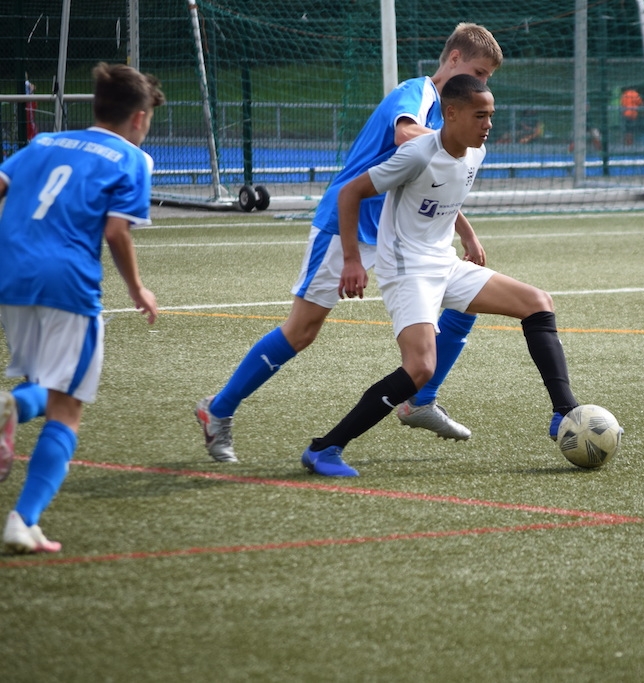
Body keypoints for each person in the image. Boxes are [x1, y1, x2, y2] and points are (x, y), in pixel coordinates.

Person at [195, 23, 503, 463]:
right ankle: (219, 409)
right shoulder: (417, 94)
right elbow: (406, 136)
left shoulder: (448, 115)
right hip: (347, 225)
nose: (482, 83)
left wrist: (465, 231)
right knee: (301, 331)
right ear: (454, 60)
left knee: (467, 298)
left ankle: (421, 399)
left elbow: (433, 176)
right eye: (479, 72)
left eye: (487, 77)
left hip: (397, 235)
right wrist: (450, 142)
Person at [300, 75, 580, 477]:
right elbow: (350, 193)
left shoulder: (476, 152)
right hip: (406, 270)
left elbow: (444, 195)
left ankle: (565, 412)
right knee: (420, 368)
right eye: (480, 116)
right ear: (451, 114)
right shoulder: (417, 154)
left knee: (537, 303)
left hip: (443, 263)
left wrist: (467, 234)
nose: (488, 124)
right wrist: (351, 260)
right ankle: (324, 448)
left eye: (491, 115)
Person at [0, 62, 163, 553]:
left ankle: (14, 409)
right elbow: (116, 231)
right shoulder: (133, 159)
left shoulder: (44, 142)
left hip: (12, 277)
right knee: (67, 409)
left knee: (50, 383)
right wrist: (137, 288)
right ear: (138, 118)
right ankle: (22, 520)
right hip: (67, 283)